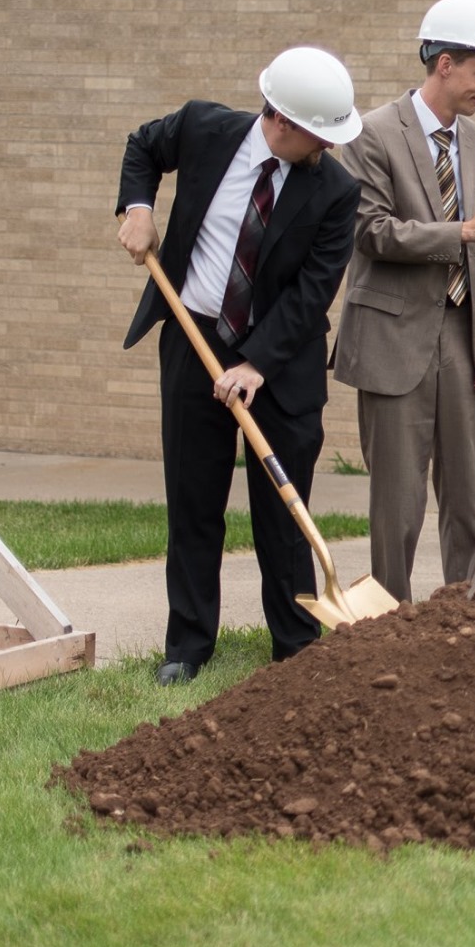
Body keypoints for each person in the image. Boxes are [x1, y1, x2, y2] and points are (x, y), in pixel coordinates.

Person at [115, 47, 363, 683]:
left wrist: (255, 364)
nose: (327, 148)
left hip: (282, 357)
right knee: (193, 500)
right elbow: (143, 147)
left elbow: (315, 290)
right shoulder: (204, 128)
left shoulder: (335, 191)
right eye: (320, 134)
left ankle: (295, 645)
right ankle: (188, 646)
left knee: (282, 509)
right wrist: (138, 209)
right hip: (194, 335)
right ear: (279, 118)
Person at [332, 0, 475, 601]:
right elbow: (370, 231)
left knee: (468, 492)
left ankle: (463, 616)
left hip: (463, 337)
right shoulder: (370, 134)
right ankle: (391, 618)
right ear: (444, 64)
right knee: (399, 496)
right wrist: (461, 231)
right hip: (393, 339)